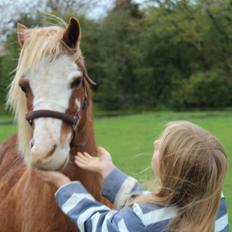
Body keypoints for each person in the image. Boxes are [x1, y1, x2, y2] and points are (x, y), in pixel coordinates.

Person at [37, 121, 229, 232]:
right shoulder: (214, 202)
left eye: (161, 148)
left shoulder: (142, 219)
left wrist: (65, 186)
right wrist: (109, 173)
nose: (156, 142)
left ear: (168, 168)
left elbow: (100, 225)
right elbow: (158, 207)